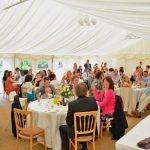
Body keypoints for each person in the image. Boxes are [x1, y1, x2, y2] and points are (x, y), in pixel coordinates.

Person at [59, 83, 98, 150]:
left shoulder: (72, 104)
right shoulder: (93, 100)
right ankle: (84, 147)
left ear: (76, 93)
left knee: (61, 128)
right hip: (91, 130)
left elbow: (68, 121)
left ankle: (66, 148)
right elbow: (95, 110)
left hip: (77, 132)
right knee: (83, 123)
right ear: (86, 91)